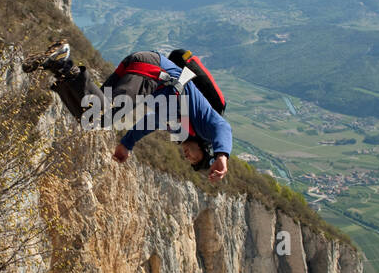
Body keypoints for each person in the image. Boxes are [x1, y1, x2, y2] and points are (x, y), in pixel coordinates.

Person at [24, 42, 231, 182]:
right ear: (206, 150)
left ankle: (58, 67)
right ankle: (64, 63)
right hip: (154, 71)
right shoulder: (203, 124)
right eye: (195, 159)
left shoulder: (180, 127)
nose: (188, 158)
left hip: (142, 67)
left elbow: (147, 124)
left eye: (189, 161)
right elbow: (223, 127)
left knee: (90, 119)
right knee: (104, 114)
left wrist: (126, 144)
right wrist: (222, 156)